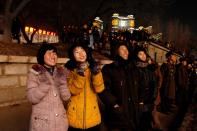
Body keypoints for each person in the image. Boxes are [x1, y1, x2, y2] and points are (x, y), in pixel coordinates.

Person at [26, 43, 71, 131]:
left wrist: (63, 83)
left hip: (60, 122)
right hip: (42, 123)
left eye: (54, 53)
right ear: (42, 56)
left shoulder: (60, 73)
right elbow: (31, 98)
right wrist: (44, 84)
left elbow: (66, 98)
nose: (53, 55)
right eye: (49, 53)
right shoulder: (35, 73)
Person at [64, 43, 105, 130]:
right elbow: (73, 90)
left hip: (92, 115)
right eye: (77, 52)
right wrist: (80, 75)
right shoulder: (69, 70)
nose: (81, 54)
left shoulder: (93, 68)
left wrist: (96, 74)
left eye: (82, 50)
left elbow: (99, 88)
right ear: (73, 56)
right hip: (75, 116)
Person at [100, 42, 136, 131]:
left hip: (131, 113)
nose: (126, 52)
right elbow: (103, 89)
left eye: (127, 49)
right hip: (116, 114)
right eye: (123, 49)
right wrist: (114, 104)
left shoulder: (131, 69)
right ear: (117, 52)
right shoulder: (109, 69)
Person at [128, 46, 157, 131]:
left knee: (147, 122)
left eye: (144, 53)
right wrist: (140, 100)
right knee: (139, 124)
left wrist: (153, 97)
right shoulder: (134, 69)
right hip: (140, 102)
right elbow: (134, 87)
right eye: (140, 54)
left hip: (149, 102)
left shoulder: (148, 69)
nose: (143, 55)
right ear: (136, 56)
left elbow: (154, 84)